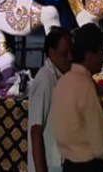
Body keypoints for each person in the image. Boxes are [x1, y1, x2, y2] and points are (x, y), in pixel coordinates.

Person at [52, 23, 103, 172]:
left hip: (68, 165)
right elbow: (99, 141)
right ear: (90, 55)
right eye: (102, 52)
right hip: (89, 166)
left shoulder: (62, 82)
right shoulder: (85, 85)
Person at [29, 28, 72, 172]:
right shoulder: (45, 80)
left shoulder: (61, 77)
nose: (70, 57)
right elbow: (36, 131)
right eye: (64, 53)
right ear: (51, 52)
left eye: (71, 52)